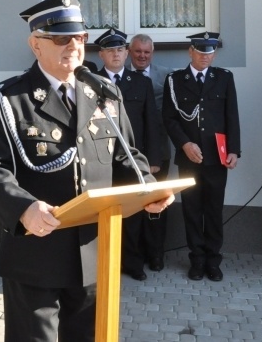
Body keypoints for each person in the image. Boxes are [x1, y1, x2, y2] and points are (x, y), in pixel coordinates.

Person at [0, 0, 173, 342]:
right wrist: (23, 209)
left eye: (79, 37)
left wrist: (149, 193)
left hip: (95, 253)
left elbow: (127, 157)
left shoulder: (102, 93)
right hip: (36, 253)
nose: (73, 46)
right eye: (61, 38)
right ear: (35, 44)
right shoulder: (7, 99)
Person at [162, 32, 240, 282]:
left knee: (214, 210)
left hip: (217, 157)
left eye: (210, 52)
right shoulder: (175, 80)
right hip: (189, 158)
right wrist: (184, 144)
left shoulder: (224, 78)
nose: (206, 57)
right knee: (192, 210)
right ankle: (196, 259)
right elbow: (170, 118)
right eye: (201, 51)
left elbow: (232, 116)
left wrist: (234, 150)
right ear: (190, 52)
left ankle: (213, 261)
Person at [95, 28, 162, 281]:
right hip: (100, 160)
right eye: (110, 50)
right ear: (101, 54)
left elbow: (152, 124)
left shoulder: (141, 83)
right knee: (102, 214)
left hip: (132, 161)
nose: (116, 54)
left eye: (120, 49)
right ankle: (105, 263)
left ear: (126, 53)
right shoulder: (88, 82)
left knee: (132, 216)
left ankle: (132, 263)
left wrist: (153, 161)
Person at [128, 33, 172, 271]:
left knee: (158, 203)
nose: (142, 56)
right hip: (130, 152)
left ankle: (156, 254)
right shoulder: (121, 76)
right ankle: (134, 255)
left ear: (152, 53)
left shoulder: (166, 76)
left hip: (159, 150)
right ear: (129, 51)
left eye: (146, 52)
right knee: (132, 206)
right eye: (138, 52)